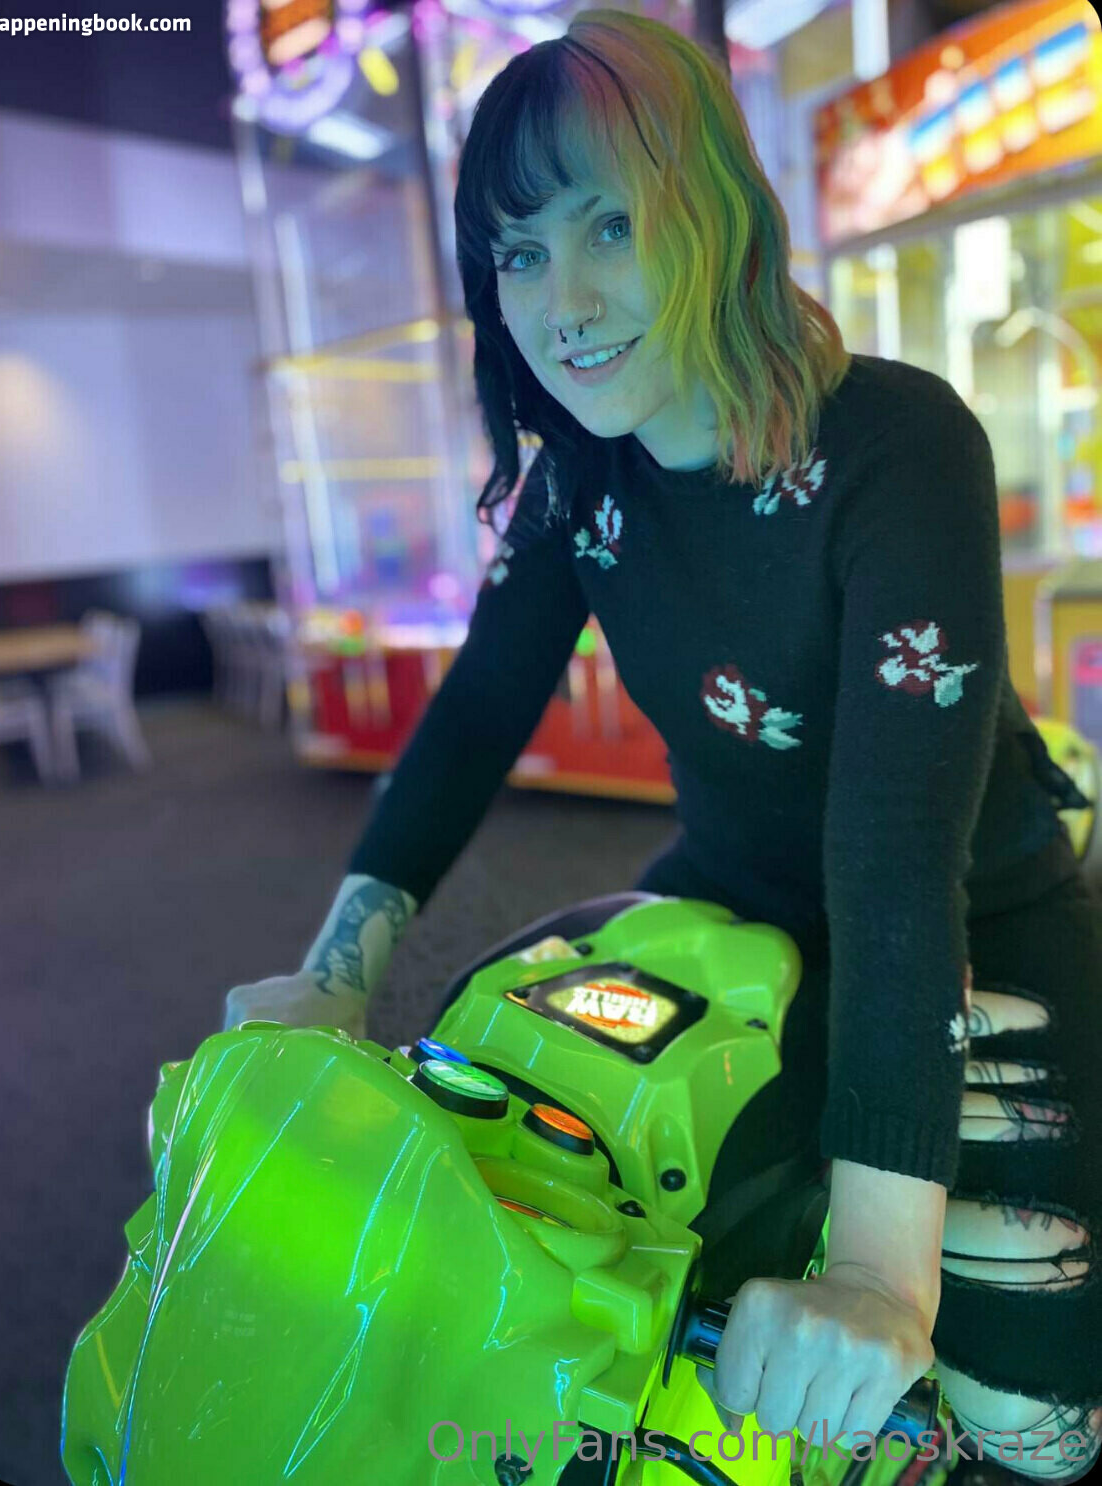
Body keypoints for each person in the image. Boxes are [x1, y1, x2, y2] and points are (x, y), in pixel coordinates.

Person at [223, 10, 1102, 1482]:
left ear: (713, 211)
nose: (560, 301)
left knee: (1036, 1425)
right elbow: (471, 721)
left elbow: (896, 862)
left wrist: (879, 1277)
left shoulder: (901, 444)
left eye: (609, 226)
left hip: (978, 912)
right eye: (516, 254)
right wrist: (333, 978)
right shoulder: (579, 482)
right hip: (732, 891)